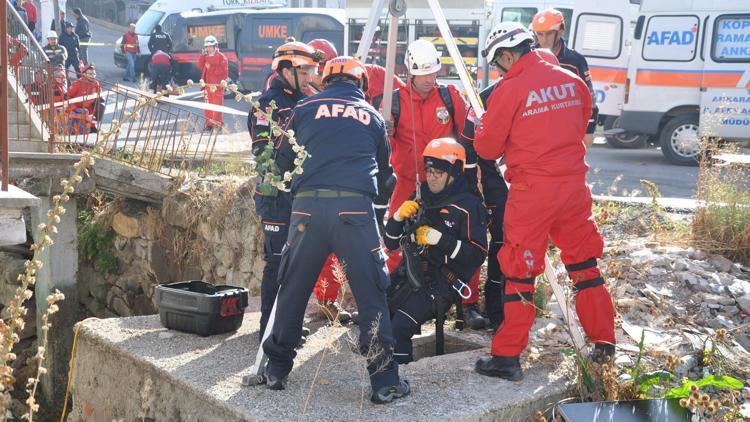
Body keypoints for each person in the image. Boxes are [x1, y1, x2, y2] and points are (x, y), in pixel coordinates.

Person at [472, 22, 614, 381]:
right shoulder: (573, 80)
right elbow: (580, 123)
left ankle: (506, 358)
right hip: (573, 188)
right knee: (585, 266)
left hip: (532, 192)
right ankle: (604, 344)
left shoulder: (510, 89)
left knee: (519, 272)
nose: (499, 71)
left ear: (506, 55)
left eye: (498, 64)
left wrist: (484, 123)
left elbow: (487, 148)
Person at [266, 55, 410, 404]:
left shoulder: (303, 108)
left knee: (293, 289)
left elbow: (281, 159)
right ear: (361, 84)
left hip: (307, 209)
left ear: (326, 80)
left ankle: (276, 370)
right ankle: (385, 381)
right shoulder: (372, 116)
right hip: (354, 210)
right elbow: (385, 171)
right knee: (371, 291)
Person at [384, 39, 486, 330]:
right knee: (395, 236)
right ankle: (387, 296)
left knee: (466, 238)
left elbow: (470, 129)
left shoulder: (449, 96)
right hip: (409, 182)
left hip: (448, 185)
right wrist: (385, 129)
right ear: (411, 73)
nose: (431, 79)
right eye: (424, 74)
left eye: (434, 72)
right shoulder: (394, 102)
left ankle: (467, 304)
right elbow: (383, 144)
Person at [384, 138, 487, 364]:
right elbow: (390, 243)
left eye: (438, 172)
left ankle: (398, 381)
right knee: (377, 320)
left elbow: (478, 254)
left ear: (453, 173)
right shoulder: (421, 197)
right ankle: (383, 375)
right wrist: (398, 218)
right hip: (410, 273)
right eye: (429, 170)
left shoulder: (469, 206)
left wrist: (441, 240)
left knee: (399, 329)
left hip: (442, 282)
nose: (431, 177)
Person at [247, 41, 317, 340]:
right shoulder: (267, 105)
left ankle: (288, 323)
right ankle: (269, 330)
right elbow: (262, 153)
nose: (310, 77)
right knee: (276, 265)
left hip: (301, 196)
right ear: (286, 70)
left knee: (298, 265)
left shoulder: (307, 100)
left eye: (312, 70)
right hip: (277, 198)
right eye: (305, 71)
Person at [304, 38, 353, 324]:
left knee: (338, 248)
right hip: (312, 182)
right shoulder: (298, 94)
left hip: (340, 179)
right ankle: (319, 303)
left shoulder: (341, 93)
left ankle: (328, 301)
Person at [531, 8, 599, 148]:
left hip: (566, 133)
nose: (544, 40)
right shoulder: (527, 57)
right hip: (533, 131)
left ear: (561, 31)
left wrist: (589, 131)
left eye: (549, 34)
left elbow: (589, 98)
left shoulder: (576, 61)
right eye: (540, 34)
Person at [198, 35, 228, 131]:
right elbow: (200, 65)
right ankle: (209, 124)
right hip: (207, 85)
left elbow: (224, 71)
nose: (209, 48)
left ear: (215, 46)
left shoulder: (221, 57)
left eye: (210, 46)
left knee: (217, 106)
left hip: (217, 86)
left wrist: (211, 67)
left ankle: (218, 125)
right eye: (207, 46)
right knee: (207, 105)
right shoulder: (205, 56)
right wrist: (202, 56)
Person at [68, 64, 102, 129]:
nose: (93, 76)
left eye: (94, 74)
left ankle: (94, 125)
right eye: (90, 74)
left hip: (89, 106)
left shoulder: (96, 83)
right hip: (76, 107)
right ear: (84, 74)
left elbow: (99, 94)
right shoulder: (77, 83)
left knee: (101, 105)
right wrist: (74, 108)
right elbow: (68, 96)